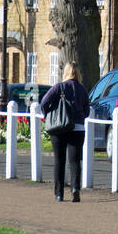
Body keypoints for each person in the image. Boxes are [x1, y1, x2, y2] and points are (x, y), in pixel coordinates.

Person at [38, 63, 90, 202]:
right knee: (75, 161)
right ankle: (75, 188)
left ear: (66, 72)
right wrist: (80, 117)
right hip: (77, 128)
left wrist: (49, 115)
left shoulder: (58, 87)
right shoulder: (82, 89)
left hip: (59, 127)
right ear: (78, 73)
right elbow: (87, 111)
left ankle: (59, 194)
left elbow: (43, 103)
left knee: (59, 161)